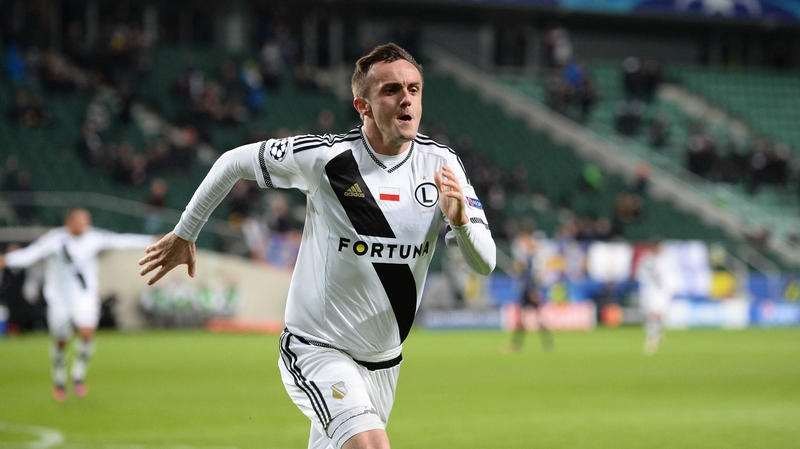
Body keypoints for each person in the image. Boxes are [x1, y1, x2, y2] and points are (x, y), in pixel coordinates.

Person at [138, 43, 496, 449]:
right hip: (317, 348)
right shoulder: (327, 158)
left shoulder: (441, 164)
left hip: (384, 362)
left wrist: (460, 222)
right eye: (391, 90)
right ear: (362, 106)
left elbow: (485, 262)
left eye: (414, 89)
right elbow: (233, 162)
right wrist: (186, 232)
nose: (406, 99)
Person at [0, 208, 156, 401]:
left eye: (87, 221)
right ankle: (59, 378)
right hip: (59, 299)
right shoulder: (55, 239)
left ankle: (78, 375)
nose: (86, 224)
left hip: (84, 297)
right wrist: (7, 260)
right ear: (70, 222)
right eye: (82, 221)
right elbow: (32, 254)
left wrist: (151, 239)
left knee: (86, 332)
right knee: (61, 340)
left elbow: (121, 241)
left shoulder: (93, 238)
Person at [506, 219, 552, 353]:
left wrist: (533, 288)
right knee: (528, 318)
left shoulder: (529, 252)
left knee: (531, 318)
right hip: (528, 287)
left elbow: (528, 271)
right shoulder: (531, 250)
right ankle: (544, 342)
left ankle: (543, 342)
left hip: (529, 288)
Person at [635, 239, 678, 355]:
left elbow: (672, 275)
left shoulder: (668, 259)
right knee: (649, 314)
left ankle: (653, 337)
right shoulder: (647, 259)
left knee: (656, 313)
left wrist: (672, 287)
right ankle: (655, 334)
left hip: (662, 291)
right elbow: (641, 273)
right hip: (649, 290)